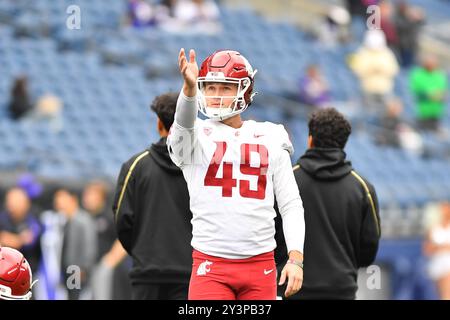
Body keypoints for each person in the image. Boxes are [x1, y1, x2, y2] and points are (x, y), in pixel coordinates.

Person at [167, 48, 305, 300]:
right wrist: (187, 90)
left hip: (260, 265)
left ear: (245, 90)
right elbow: (183, 124)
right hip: (211, 266)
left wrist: (295, 258)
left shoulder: (271, 135)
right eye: (210, 88)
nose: (216, 95)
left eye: (225, 88)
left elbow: (290, 204)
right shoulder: (195, 135)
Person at [275, 108, 381, 299]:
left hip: (291, 287)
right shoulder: (362, 188)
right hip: (341, 291)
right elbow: (368, 251)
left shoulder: (286, 180)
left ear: (310, 140)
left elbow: (270, 237)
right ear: (344, 143)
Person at [113, 92, 193, 300]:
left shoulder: (135, 166)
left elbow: (122, 220)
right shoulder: (200, 168)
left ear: (159, 124)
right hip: (190, 275)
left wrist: (143, 251)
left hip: (146, 275)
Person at [409, 55, 448, 133]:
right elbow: (414, 92)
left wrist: (440, 95)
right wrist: (429, 95)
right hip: (421, 112)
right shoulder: (418, 75)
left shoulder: (440, 76)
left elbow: (444, 92)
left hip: (435, 112)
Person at [423, 201, 450, 300]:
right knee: (440, 294)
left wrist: (440, 247)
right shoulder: (434, 228)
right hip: (437, 265)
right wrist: (442, 247)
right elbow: (427, 249)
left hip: (448, 265)